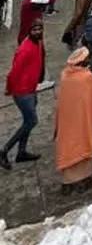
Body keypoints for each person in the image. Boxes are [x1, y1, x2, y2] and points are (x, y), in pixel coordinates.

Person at [0, 17, 45, 170]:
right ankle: (4, 150)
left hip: (31, 89)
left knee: (27, 121)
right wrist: (9, 88)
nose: (38, 32)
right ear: (29, 31)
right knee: (31, 121)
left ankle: (21, 152)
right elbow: (13, 73)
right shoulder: (24, 49)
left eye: (40, 29)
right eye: (35, 30)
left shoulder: (38, 42)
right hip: (22, 92)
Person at [54, 46, 92, 189]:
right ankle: (83, 180)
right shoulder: (87, 78)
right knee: (83, 145)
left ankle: (67, 182)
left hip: (67, 119)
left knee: (68, 146)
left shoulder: (65, 75)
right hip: (83, 120)